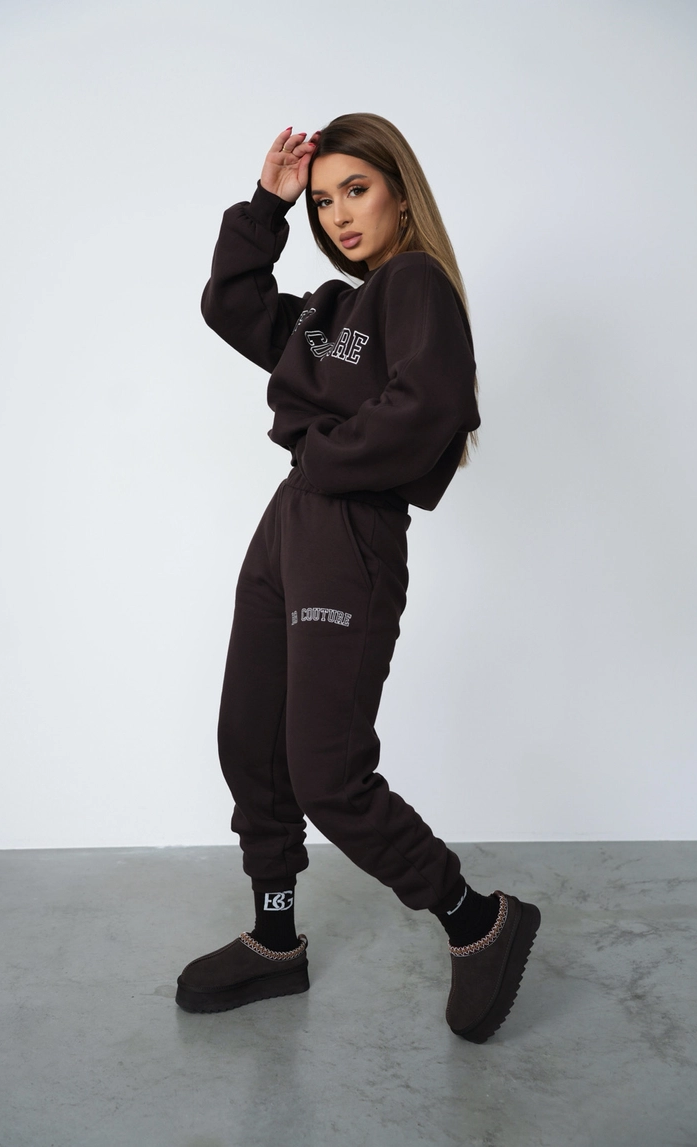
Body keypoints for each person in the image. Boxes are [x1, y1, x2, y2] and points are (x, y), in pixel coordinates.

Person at [175, 113, 540, 1043]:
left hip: (349, 528)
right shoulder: (328, 310)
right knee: (251, 738)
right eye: (323, 199)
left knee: (326, 771)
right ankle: (274, 940)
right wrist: (267, 203)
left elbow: (433, 402)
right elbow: (229, 303)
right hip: (289, 523)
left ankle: (476, 919)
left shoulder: (414, 285)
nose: (337, 214)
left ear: (399, 193)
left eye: (356, 190)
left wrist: (325, 458)